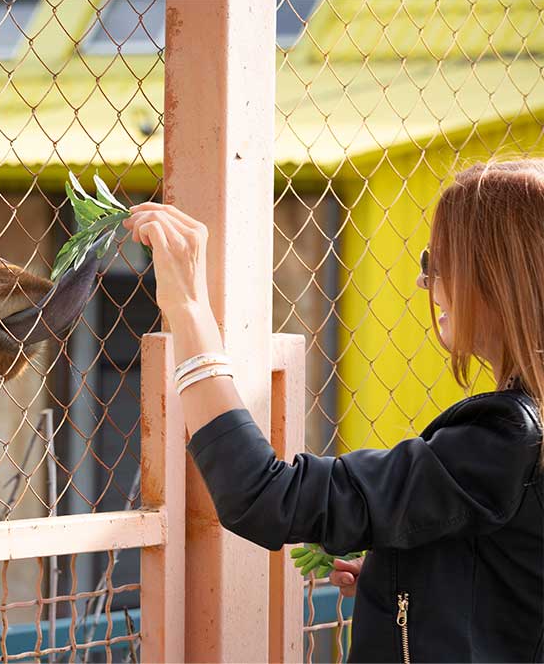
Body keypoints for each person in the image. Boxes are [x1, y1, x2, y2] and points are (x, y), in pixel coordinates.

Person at [124, 161, 544, 662]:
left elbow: (262, 495)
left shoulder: (503, 442)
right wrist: (404, 579)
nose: (422, 281)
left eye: (436, 263)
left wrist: (189, 309)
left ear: (494, 278)